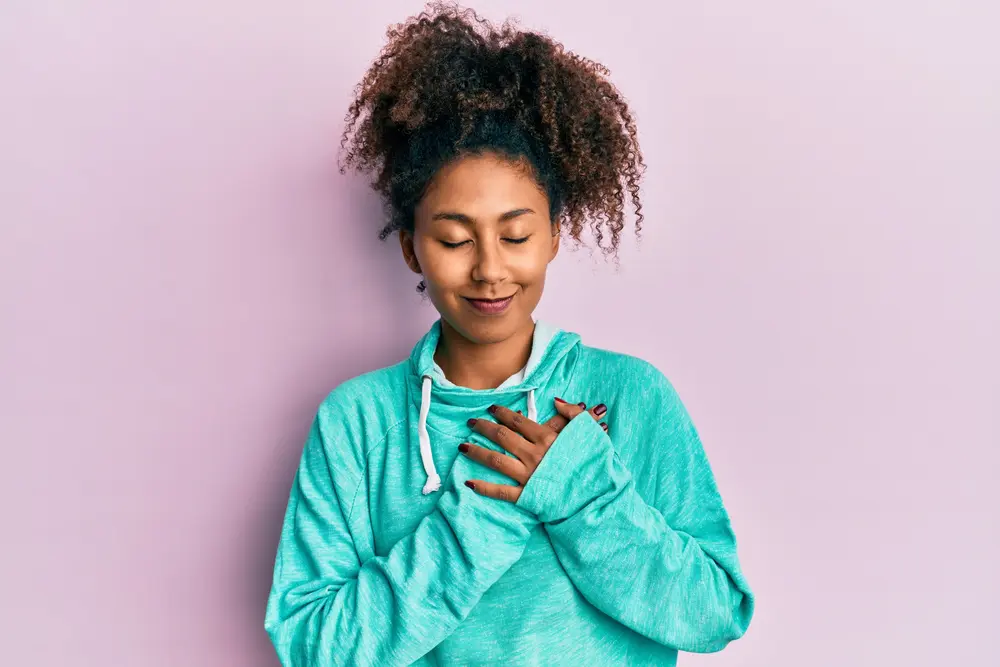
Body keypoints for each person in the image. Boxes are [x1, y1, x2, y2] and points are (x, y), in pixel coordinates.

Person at [264, 3, 755, 665]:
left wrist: (581, 493)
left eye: (516, 234)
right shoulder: (358, 423)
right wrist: (478, 522)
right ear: (411, 247)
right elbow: (311, 645)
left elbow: (714, 612)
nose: (490, 268)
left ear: (555, 231)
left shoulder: (630, 395)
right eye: (454, 238)